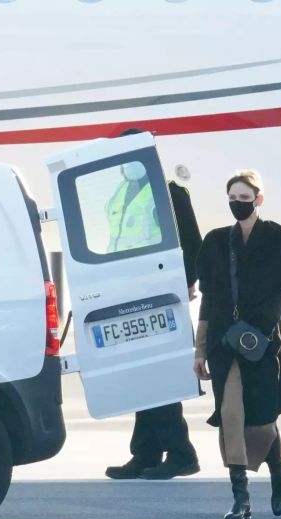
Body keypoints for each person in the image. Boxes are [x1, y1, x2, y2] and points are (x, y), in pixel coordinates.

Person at [193, 169, 281, 519]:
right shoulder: (215, 241)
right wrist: (200, 349)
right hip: (225, 342)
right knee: (231, 414)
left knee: (262, 419)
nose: (238, 204)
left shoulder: (280, 240)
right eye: (233, 198)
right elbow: (208, 300)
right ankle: (241, 498)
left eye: (244, 197)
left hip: (263, 342)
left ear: (259, 199)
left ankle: (278, 472)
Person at [105, 128, 201, 480]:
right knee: (140, 376)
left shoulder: (171, 193)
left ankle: (181, 453)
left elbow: (193, 242)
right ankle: (145, 454)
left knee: (161, 376)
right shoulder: (120, 193)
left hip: (161, 298)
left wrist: (185, 284)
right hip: (129, 296)